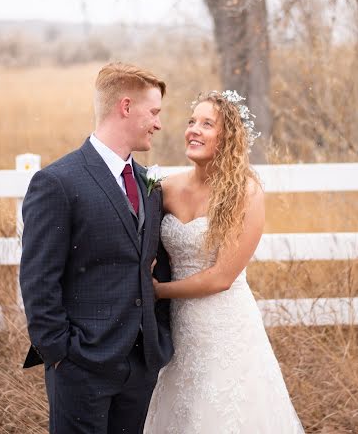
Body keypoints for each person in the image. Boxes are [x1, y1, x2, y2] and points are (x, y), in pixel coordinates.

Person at [19, 62, 174, 433]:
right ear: (125, 107)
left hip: (139, 364)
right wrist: (60, 353)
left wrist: (157, 337)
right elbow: (38, 280)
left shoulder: (148, 184)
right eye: (153, 112)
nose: (158, 123)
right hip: (80, 365)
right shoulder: (57, 182)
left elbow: (156, 266)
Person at [144, 90, 304, 433]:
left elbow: (221, 277)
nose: (194, 130)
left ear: (227, 136)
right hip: (178, 329)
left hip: (225, 327)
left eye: (206, 124)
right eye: (191, 122)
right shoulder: (164, 188)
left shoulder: (244, 192)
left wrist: (158, 291)